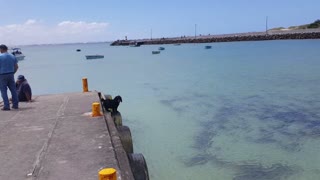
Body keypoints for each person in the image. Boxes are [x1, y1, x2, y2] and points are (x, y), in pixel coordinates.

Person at [0, 44, 19, 110]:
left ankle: (6, 106)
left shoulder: (0, 56)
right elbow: (16, 67)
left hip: (2, 75)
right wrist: (13, 73)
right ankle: (15, 105)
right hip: (11, 74)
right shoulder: (12, 56)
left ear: (1, 49)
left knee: (3, 91)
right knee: (13, 90)